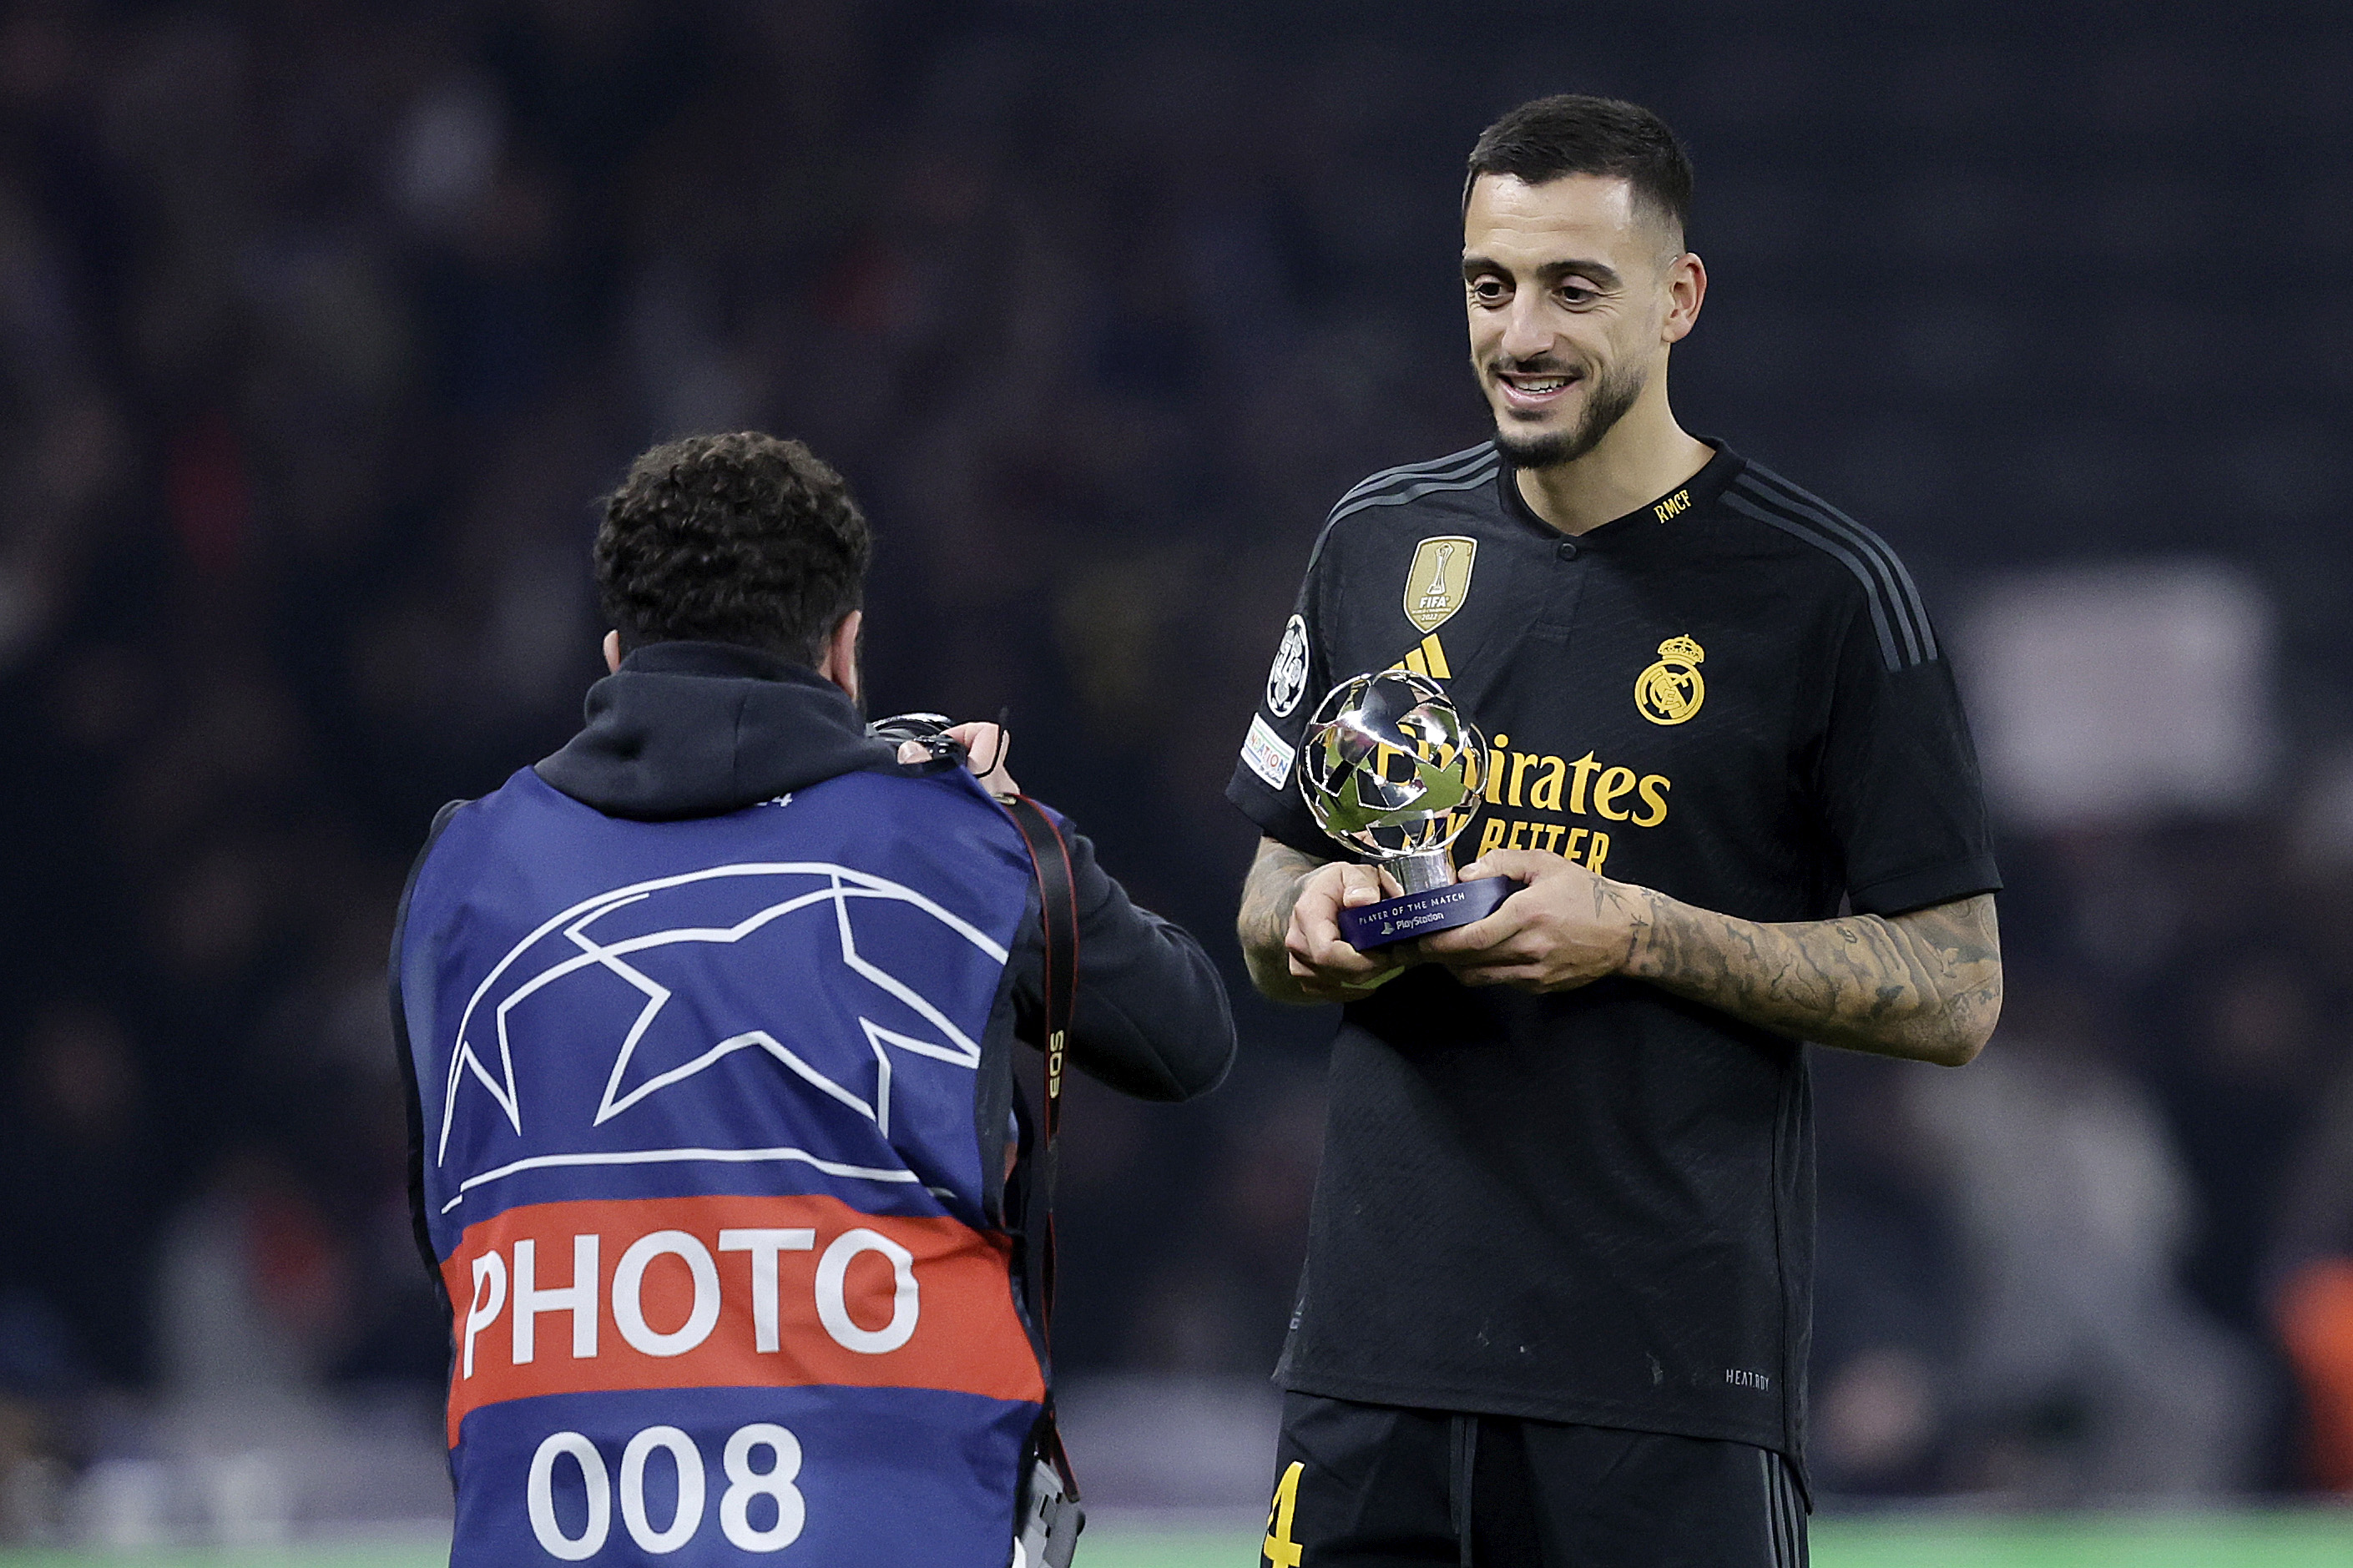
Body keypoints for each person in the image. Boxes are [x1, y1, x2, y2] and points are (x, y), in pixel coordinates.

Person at [1229, 95, 2002, 1567]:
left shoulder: (1830, 592)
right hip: (1369, 1374)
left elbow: (1959, 989)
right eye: (1490, 284)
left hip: (1667, 1392)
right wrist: (1311, 926)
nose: (1522, 332)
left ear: (1678, 297)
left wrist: (1637, 929)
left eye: (1575, 288)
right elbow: (1268, 897)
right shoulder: (1373, 543)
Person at [392, 431, 1235, 1566]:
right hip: (906, 1527)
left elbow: (446, 1209)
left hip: (548, 1529)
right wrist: (1017, 823)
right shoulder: (969, 853)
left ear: (613, 651)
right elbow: (1189, 1037)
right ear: (845, 651)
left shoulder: (463, 872)